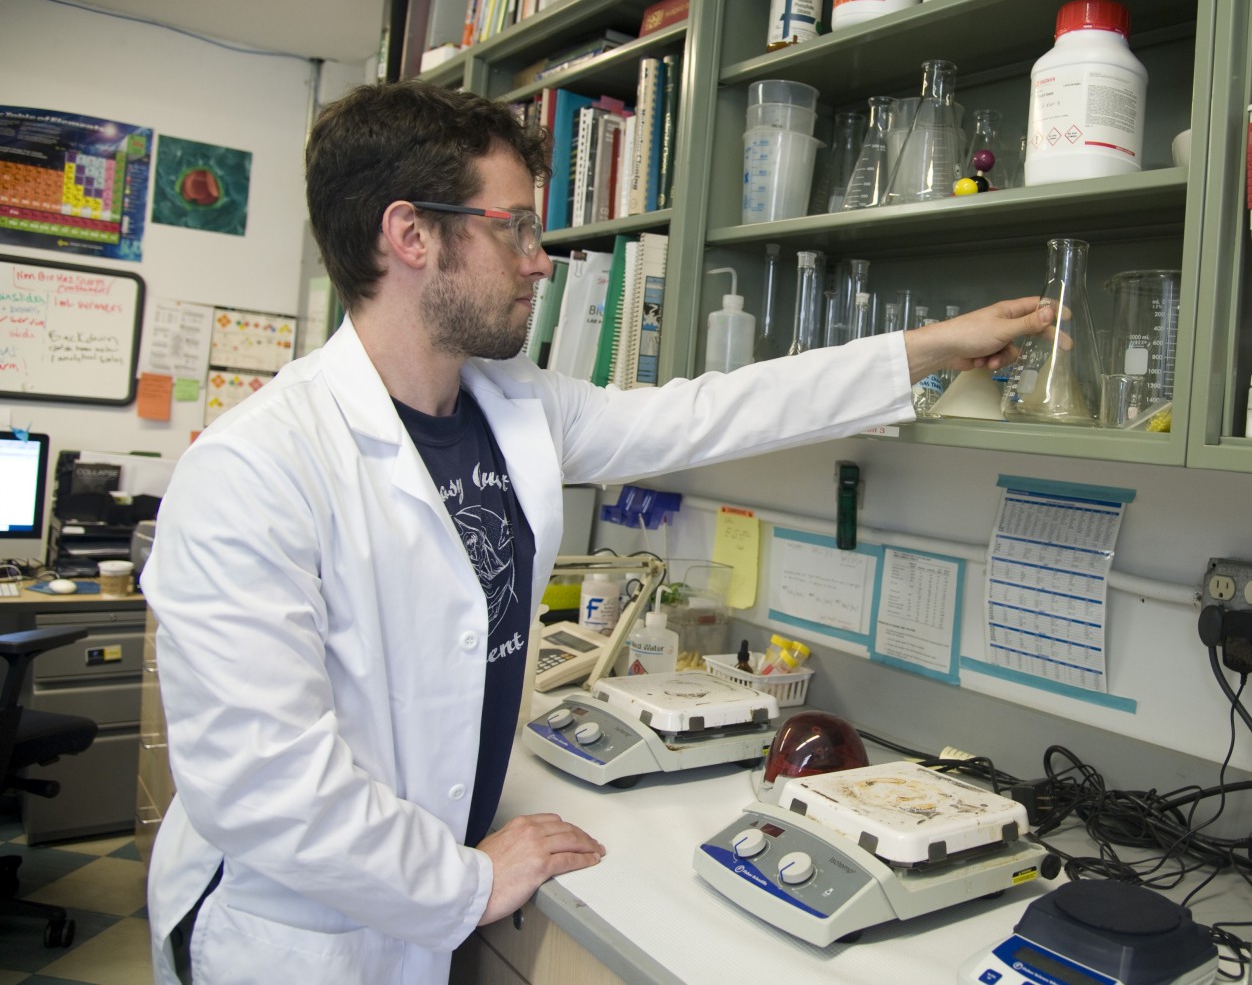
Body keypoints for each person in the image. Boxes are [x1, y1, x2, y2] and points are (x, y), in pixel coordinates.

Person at [143, 80, 1051, 984]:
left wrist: (927, 349)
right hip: (295, 936)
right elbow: (262, 785)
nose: (539, 262)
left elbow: (712, 413)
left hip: (417, 898)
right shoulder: (255, 470)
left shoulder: (514, 407)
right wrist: (464, 882)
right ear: (411, 234)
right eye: (514, 228)